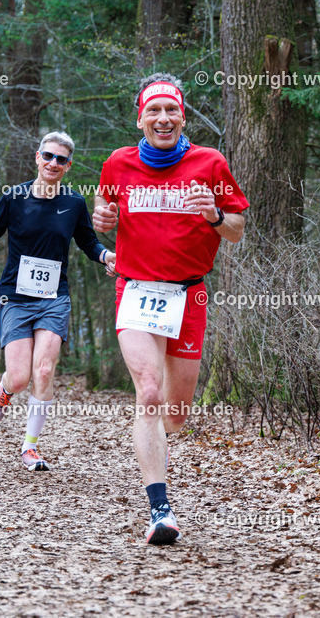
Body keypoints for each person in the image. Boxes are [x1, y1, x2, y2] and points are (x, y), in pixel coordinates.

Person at [93, 73, 248, 544]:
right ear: (140, 117)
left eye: (171, 111)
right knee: (149, 391)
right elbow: (105, 204)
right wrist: (102, 216)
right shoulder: (118, 163)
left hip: (189, 294)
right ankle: (160, 510)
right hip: (136, 289)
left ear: (183, 115)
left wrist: (214, 216)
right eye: (153, 111)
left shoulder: (210, 163)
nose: (163, 119)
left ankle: (155, 442)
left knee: (176, 412)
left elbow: (237, 229)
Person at [0, 131, 115, 471]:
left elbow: (88, 242)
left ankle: (30, 448)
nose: (53, 163)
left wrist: (106, 255)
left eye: (61, 159)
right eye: (48, 156)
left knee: (44, 370)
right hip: (16, 298)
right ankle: (3, 392)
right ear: (37, 157)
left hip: (54, 299)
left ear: (68, 166)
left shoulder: (74, 203)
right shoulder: (14, 197)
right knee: (19, 377)